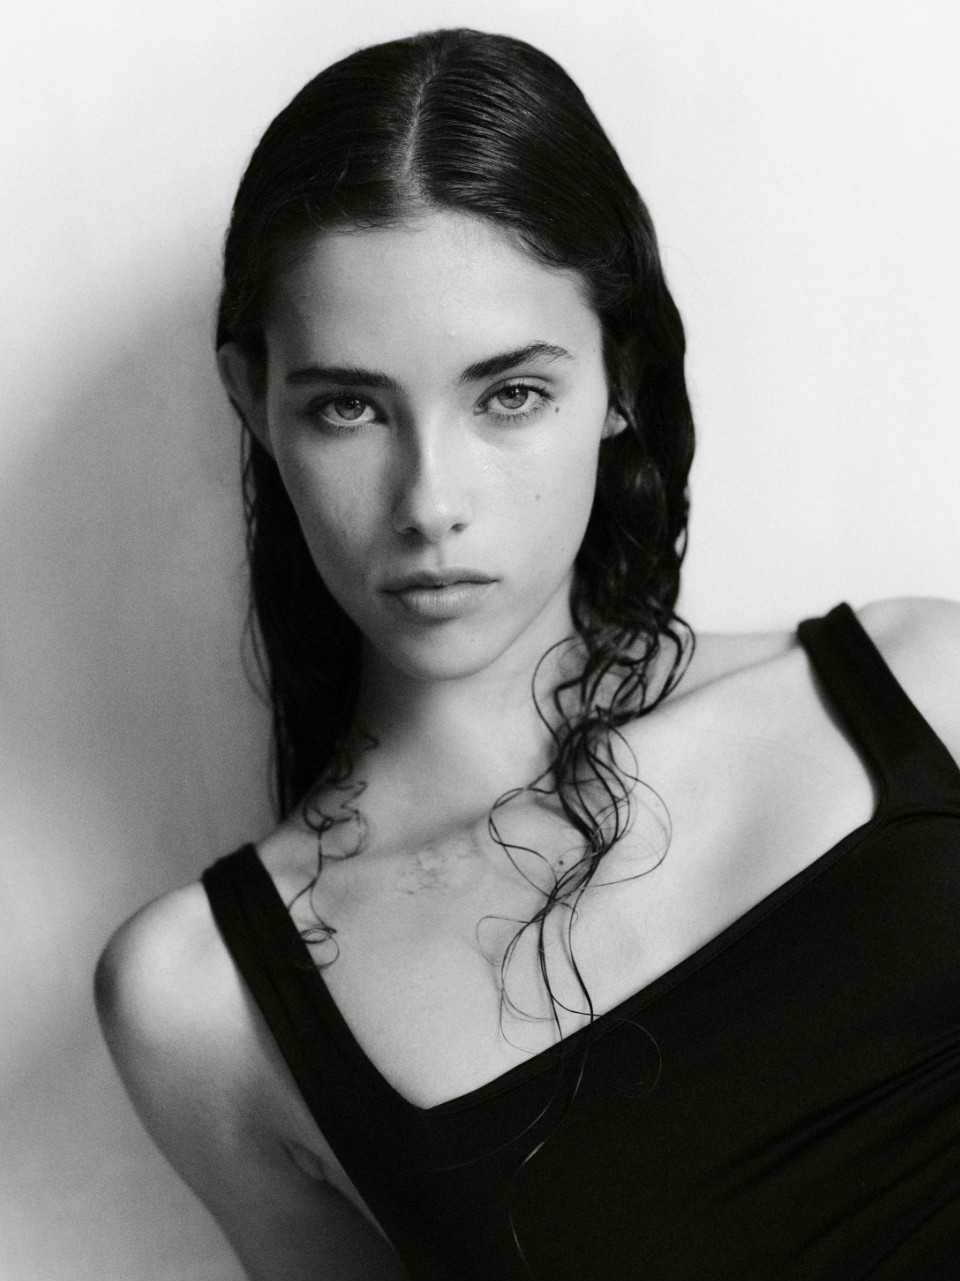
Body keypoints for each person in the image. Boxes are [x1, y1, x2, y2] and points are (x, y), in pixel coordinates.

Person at [95, 27, 960, 1281]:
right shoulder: (202, 1000)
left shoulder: (931, 684)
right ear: (253, 401)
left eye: (509, 395)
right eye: (349, 406)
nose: (430, 503)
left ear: (622, 378)